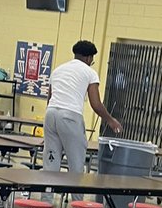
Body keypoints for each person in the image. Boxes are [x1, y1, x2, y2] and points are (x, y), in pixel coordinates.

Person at [43, 40, 121, 174]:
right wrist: (110, 120)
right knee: (76, 164)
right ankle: (76, 196)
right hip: (70, 117)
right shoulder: (89, 73)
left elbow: (49, 99)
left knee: (50, 162)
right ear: (88, 58)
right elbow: (96, 104)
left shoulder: (57, 70)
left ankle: (47, 194)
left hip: (50, 114)